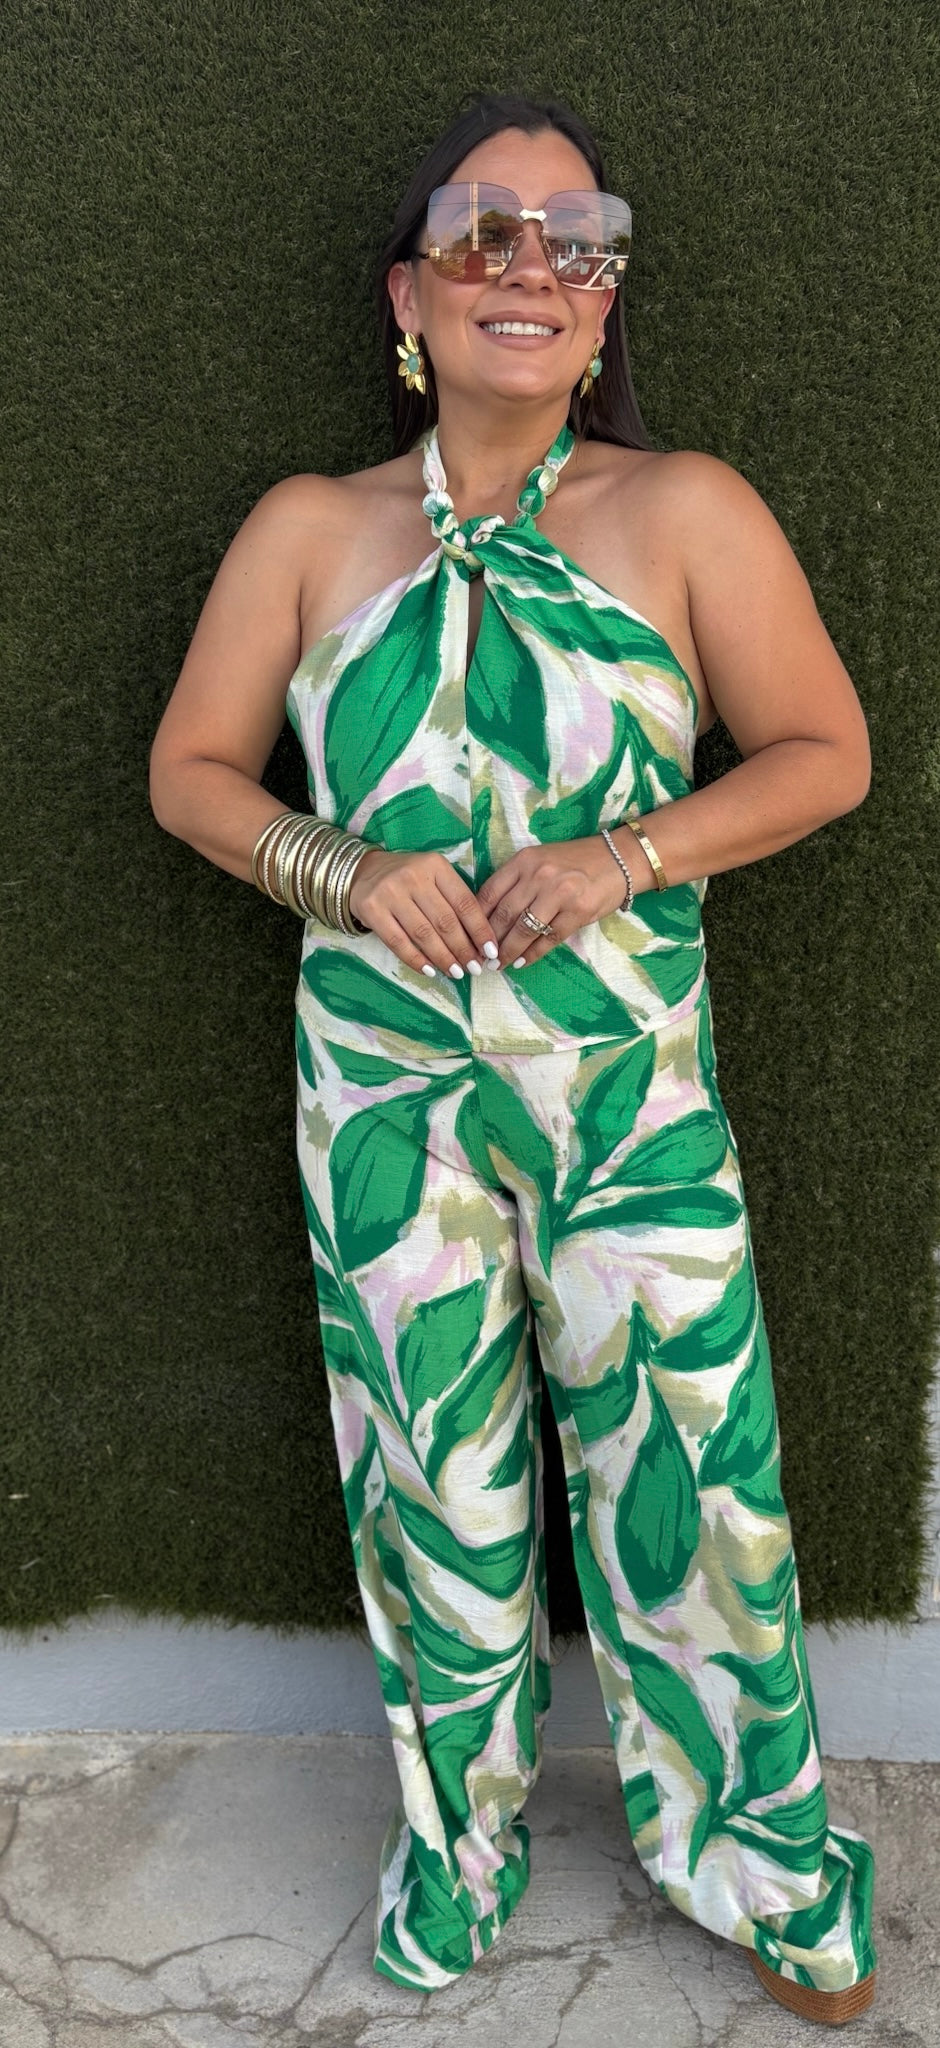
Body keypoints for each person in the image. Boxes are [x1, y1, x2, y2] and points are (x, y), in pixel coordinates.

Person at [149, 91, 877, 2023]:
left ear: (606, 295)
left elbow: (826, 752)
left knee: (699, 1479)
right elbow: (191, 772)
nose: (530, 263)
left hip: (632, 1107)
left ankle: (765, 1860)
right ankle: (457, 1852)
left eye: (576, 237)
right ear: (410, 292)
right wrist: (344, 865)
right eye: (483, 228)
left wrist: (625, 855)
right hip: (384, 1110)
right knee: (432, 1492)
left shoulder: (687, 510)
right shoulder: (311, 530)